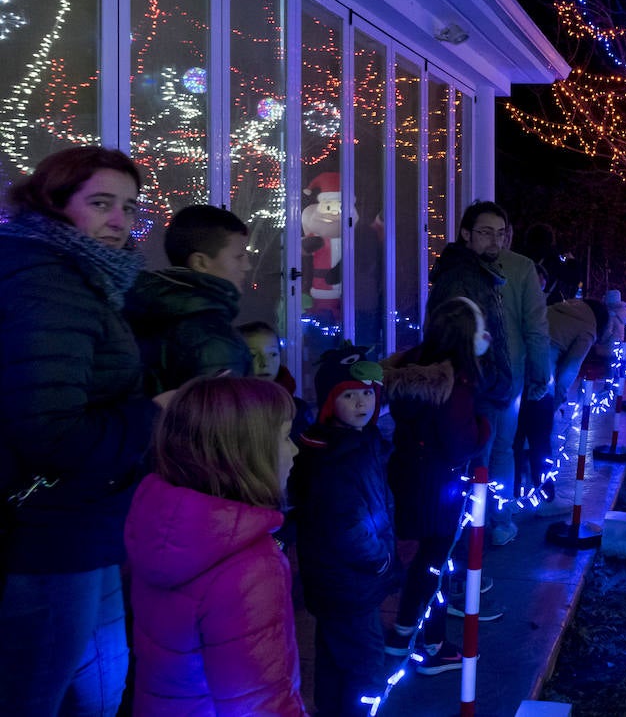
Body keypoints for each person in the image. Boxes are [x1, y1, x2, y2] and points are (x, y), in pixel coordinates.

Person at [0, 145, 160, 716]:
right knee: (34, 693)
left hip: (82, 522)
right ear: (54, 203)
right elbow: (52, 432)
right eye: (101, 203)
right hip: (45, 535)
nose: (120, 221)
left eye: (129, 206)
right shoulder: (45, 281)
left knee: (94, 687)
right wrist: (157, 411)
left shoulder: (85, 277)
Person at [122, 375, 306, 716]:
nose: (295, 449)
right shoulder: (249, 566)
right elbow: (262, 705)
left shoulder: (164, 528)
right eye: (284, 437)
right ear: (245, 451)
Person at [383, 296, 494, 673]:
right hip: (440, 487)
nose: (486, 336)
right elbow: (460, 442)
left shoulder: (413, 372)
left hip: (410, 477)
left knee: (427, 563)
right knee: (435, 564)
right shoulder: (454, 384)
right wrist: (484, 427)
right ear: (464, 338)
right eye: (479, 329)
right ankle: (420, 643)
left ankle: (416, 637)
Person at [428, 200, 549, 547]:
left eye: (501, 233)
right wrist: (541, 376)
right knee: (497, 450)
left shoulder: (469, 268)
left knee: (484, 450)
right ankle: (493, 522)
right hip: (489, 379)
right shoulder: (507, 270)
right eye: (485, 233)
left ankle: (478, 523)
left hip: (494, 378)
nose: (495, 241)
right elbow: (535, 328)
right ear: (467, 233)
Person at [291, 344, 398, 716]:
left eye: (367, 393)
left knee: (335, 655)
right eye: (348, 395)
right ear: (328, 403)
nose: (361, 403)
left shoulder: (358, 442)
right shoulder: (334, 457)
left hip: (338, 582)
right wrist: (380, 558)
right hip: (350, 580)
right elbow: (344, 525)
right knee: (365, 662)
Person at [124, 204, 254, 393]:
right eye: (239, 256)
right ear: (201, 262)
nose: (247, 266)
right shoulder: (212, 338)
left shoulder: (151, 306)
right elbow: (222, 417)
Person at [513, 297, 613, 507]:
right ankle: (546, 497)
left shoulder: (561, 308)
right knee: (541, 435)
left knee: (515, 432)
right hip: (540, 372)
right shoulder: (588, 330)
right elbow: (570, 370)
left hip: (515, 363)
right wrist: (555, 402)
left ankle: (513, 491)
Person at [238, 320, 315, 439]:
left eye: (273, 354)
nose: (265, 363)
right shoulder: (229, 409)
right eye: (253, 355)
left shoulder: (297, 409)